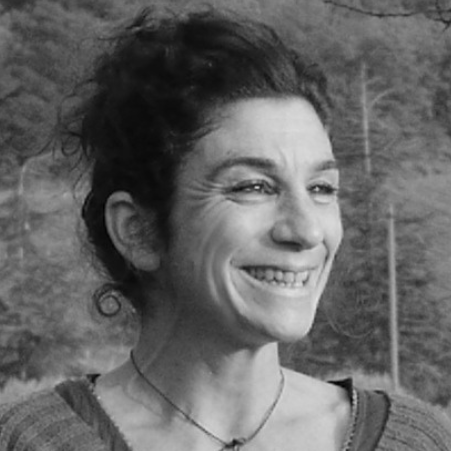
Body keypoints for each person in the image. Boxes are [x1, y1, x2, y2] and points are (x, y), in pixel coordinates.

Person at [1, 7, 451, 451]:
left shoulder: (413, 442)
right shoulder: (27, 441)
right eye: (254, 186)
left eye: (321, 188)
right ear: (138, 230)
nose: (307, 231)